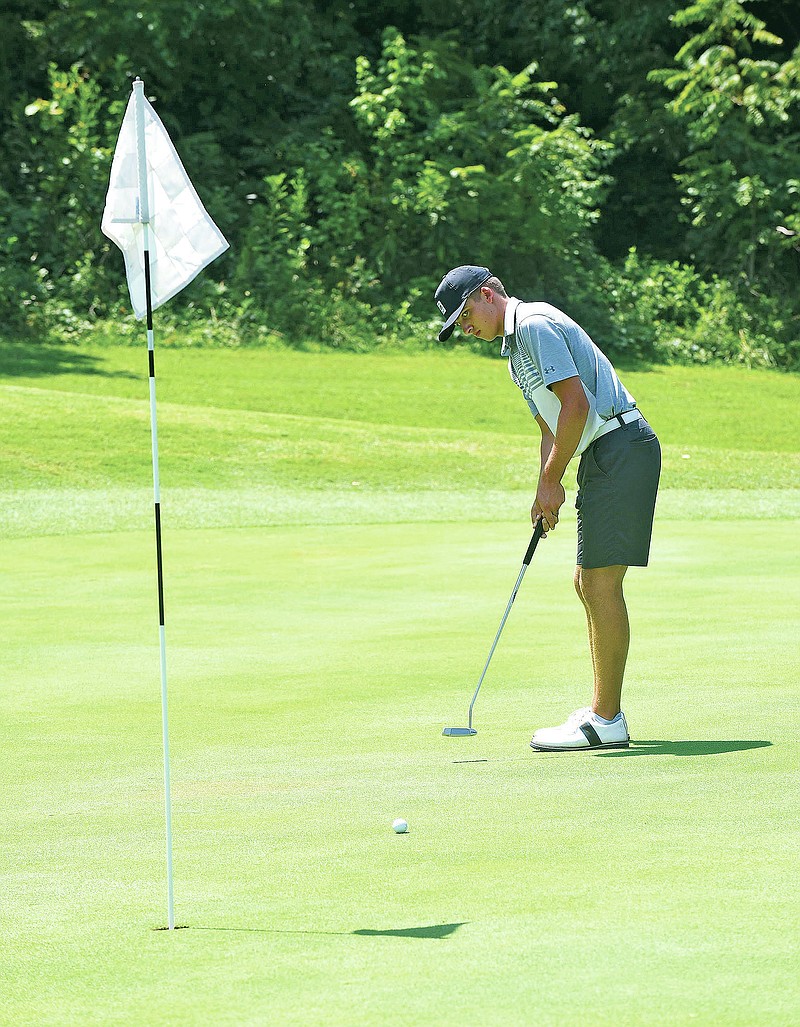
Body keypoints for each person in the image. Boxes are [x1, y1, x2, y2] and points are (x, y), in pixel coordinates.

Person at [434, 265, 661, 751]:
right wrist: (544, 489)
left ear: (488, 294)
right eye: (458, 324)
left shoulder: (534, 324)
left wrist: (554, 479)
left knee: (599, 581)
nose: (465, 328)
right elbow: (550, 425)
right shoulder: (514, 351)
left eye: (466, 314)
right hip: (604, 452)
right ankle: (604, 710)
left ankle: (606, 720)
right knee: (587, 581)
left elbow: (576, 405)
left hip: (620, 445)